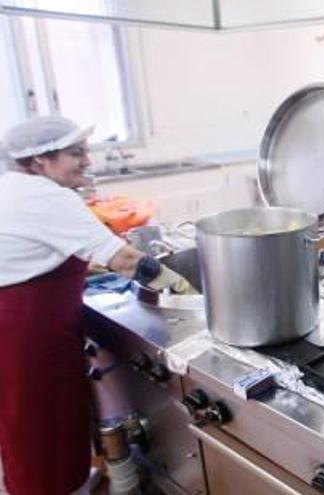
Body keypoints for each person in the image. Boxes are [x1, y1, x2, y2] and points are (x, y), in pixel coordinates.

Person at [0, 116, 195, 494]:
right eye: (76, 154)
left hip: (24, 329)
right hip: (29, 339)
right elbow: (124, 260)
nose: (88, 161)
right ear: (41, 160)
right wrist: (180, 285)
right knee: (43, 429)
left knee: (25, 425)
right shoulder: (46, 198)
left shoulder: (15, 187)